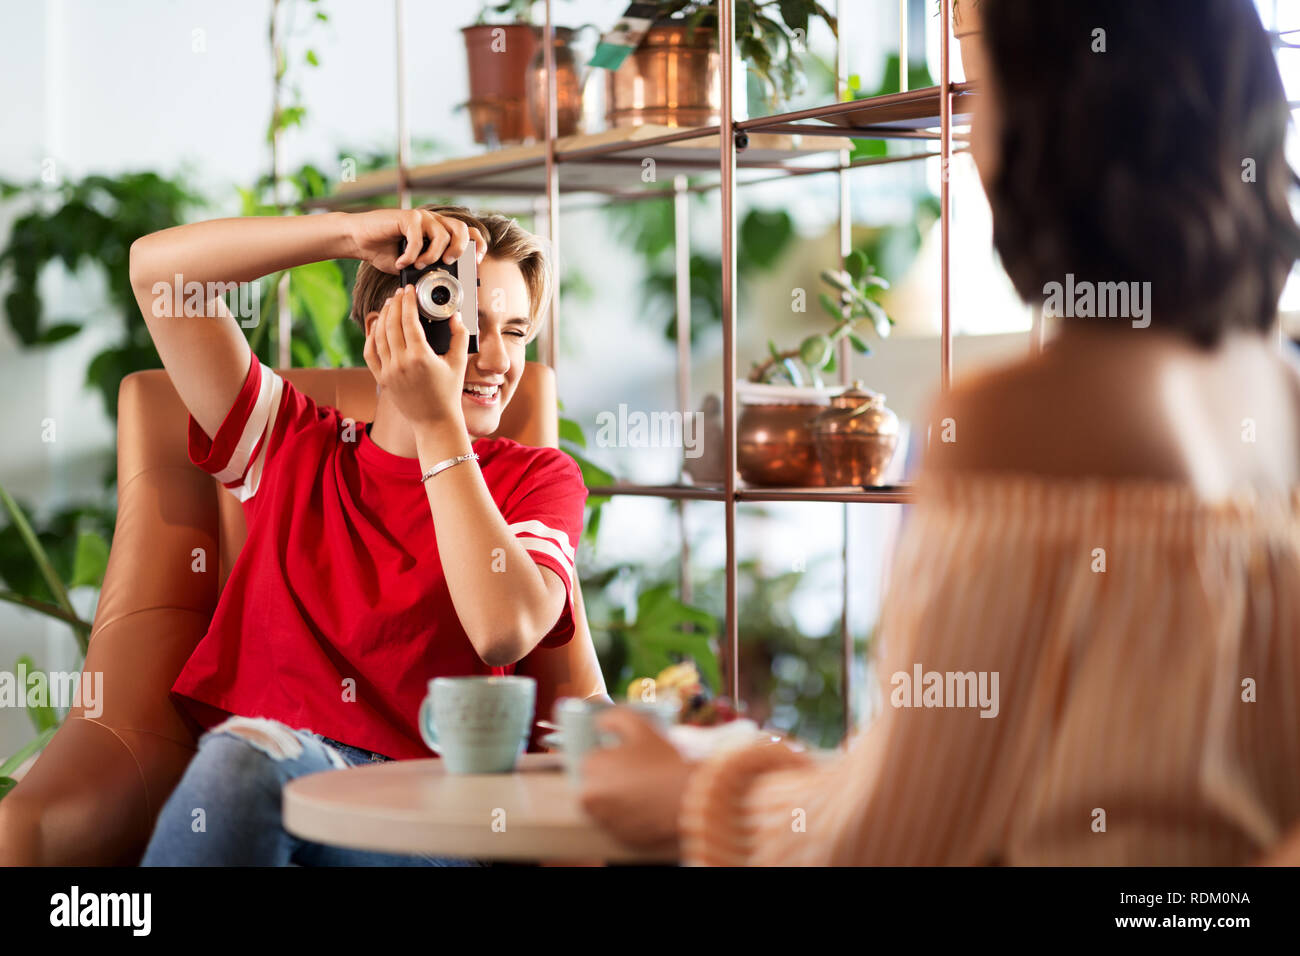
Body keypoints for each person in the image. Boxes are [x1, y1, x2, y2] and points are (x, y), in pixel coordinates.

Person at [578, 0, 1300, 865]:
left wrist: (691, 795)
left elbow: (896, 841)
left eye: (983, 86)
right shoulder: (1278, 393)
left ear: (1054, 121)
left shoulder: (1016, 418)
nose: (970, 131)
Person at [129, 205, 585, 865]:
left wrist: (437, 427)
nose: (497, 359)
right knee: (246, 762)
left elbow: (503, 629)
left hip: (429, 825)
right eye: (466, 322)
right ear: (385, 332)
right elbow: (156, 273)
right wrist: (345, 234)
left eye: (516, 332)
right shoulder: (290, 447)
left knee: (242, 762)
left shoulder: (538, 479)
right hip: (273, 783)